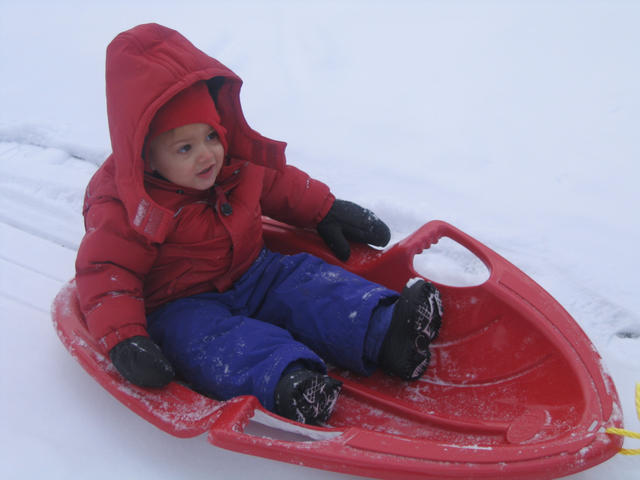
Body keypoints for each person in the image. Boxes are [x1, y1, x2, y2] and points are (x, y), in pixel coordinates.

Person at [75, 23, 442, 425]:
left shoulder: (233, 164)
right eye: (185, 148)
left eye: (211, 136)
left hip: (256, 271)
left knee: (306, 282)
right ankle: (291, 383)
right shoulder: (125, 204)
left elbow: (278, 184)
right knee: (210, 342)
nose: (207, 155)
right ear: (145, 155)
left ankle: (387, 331)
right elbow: (107, 272)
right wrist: (125, 338)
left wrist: (326, 209)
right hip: (181, 304)